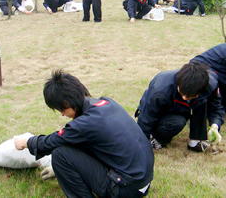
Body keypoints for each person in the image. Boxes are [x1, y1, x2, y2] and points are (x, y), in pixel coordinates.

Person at [14, 70, 154, 198]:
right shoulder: (105, 103)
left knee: (60, 155)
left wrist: (27, 142)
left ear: (65, 102)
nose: (62, 114)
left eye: (60, 109)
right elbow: (79, 142)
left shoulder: (86, 123)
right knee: (76, 145)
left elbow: (53, 141)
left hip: (126, 189)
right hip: (142, 181)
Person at [135, 62, 223, 152]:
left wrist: (215, 125)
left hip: (183, 108)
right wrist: (140, 143)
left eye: (190, 96)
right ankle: (155, 138)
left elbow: (216, 107)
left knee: (201, 102)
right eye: (182, 92)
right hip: (163, 112)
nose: (184, 97)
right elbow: (146, 118)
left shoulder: (211, 84)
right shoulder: (160, 91)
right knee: (177, 122)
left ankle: (195, 141)